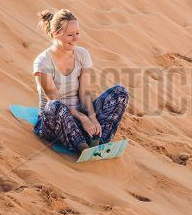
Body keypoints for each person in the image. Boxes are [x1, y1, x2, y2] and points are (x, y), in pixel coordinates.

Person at [33, 8, 129, 154]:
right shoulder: (42, 62)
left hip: (79, 118)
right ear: (55, 34)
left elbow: (85, 92)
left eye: (77, 33)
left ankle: (98, 140)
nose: (76, 38)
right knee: (55, 106)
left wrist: (91, 116)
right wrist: (82, 118)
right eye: (70, 35)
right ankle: (84, 148)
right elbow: (55, 99)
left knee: (120, 93)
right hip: (53, 123)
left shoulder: (82, 54)